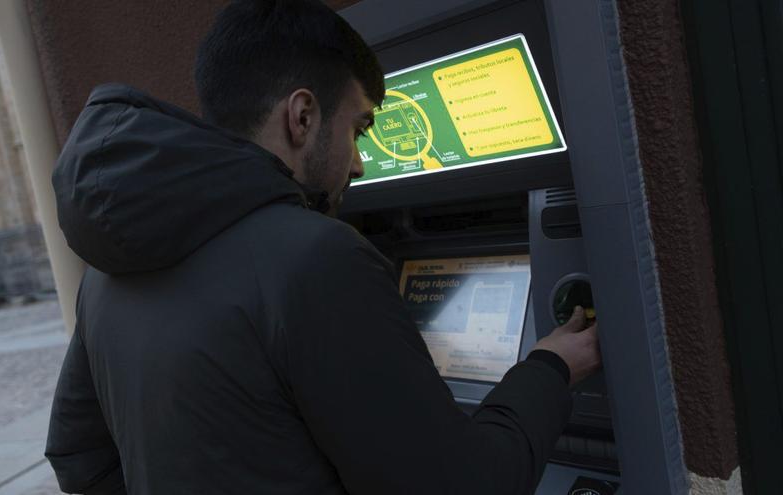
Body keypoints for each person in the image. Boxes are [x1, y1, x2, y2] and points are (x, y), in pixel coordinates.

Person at [46, 0, 601, 493]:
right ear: (303, 116)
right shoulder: (317, 256)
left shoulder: (106, 275)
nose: (359, 162)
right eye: (358, 129)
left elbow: (81, 461)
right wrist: (549, 368)